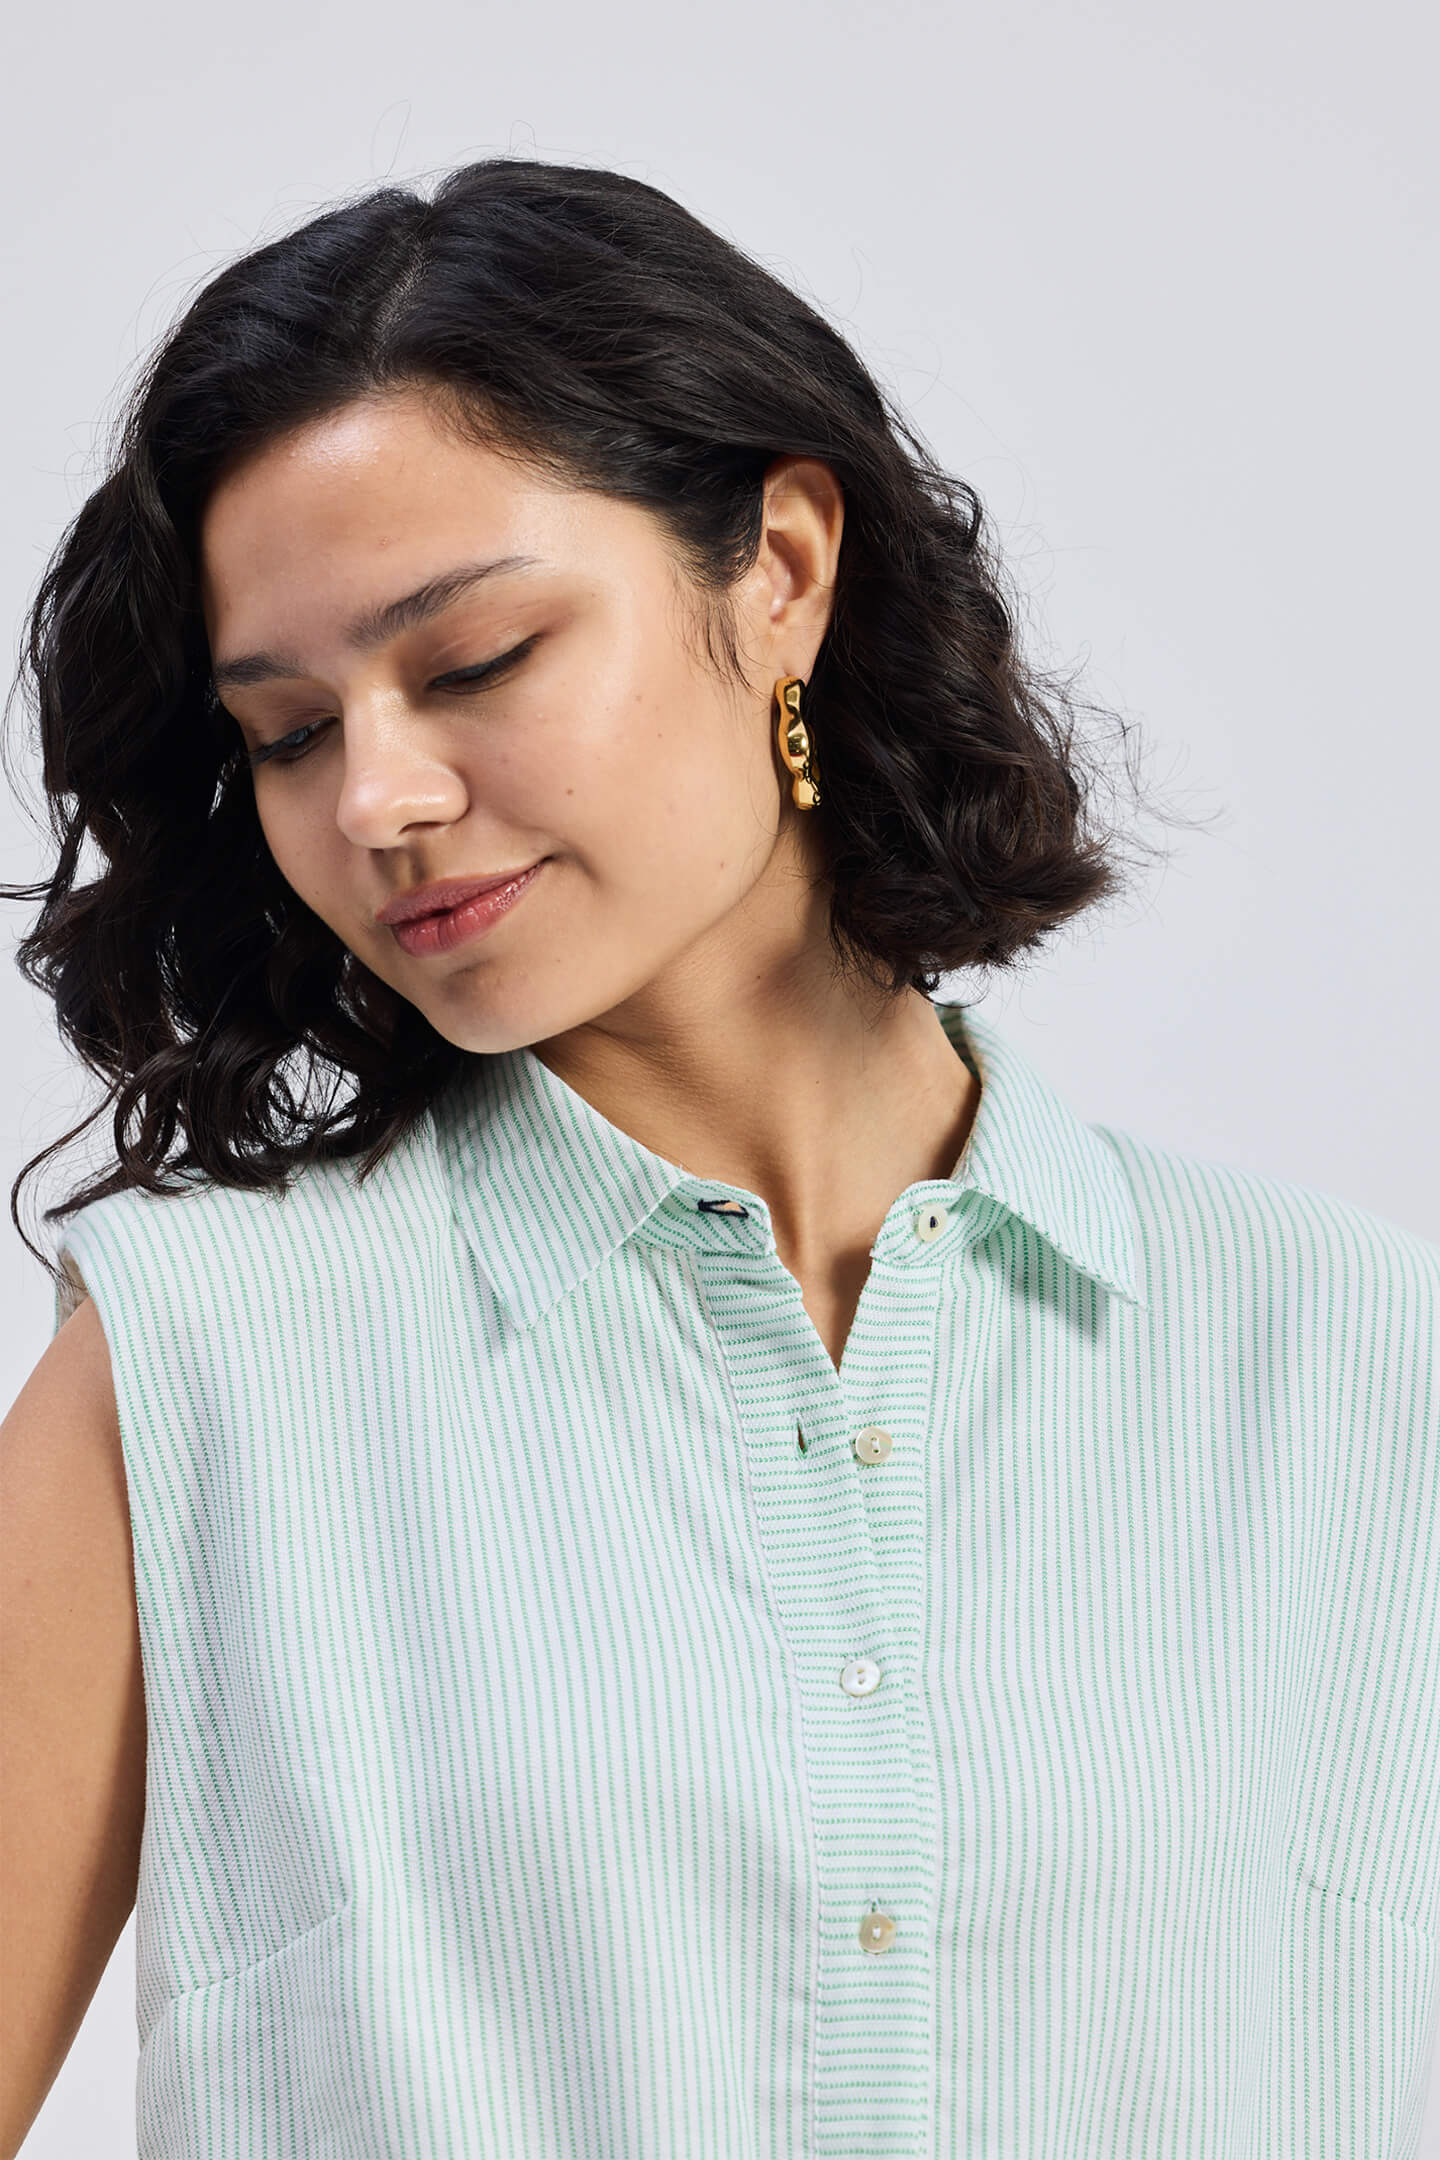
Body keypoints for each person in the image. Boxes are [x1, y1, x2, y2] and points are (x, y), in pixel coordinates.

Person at [1, 158, 1436, 2160]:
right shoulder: (194, 1374)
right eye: (290, 731)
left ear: (778, 566)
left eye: (476, 659)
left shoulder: (1355, 1364)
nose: (384, 797)